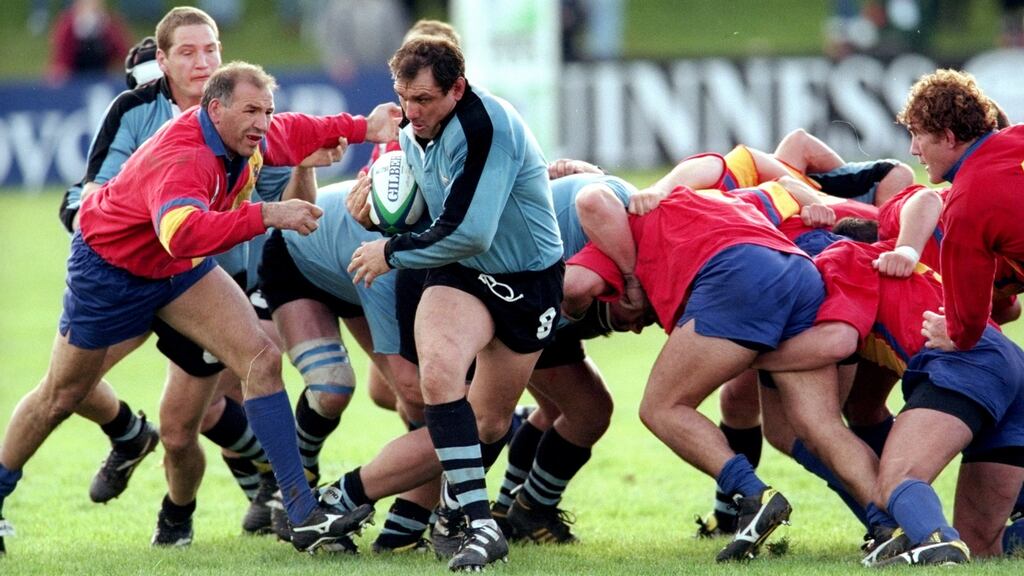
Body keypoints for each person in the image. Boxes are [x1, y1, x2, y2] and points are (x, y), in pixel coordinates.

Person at [0, 61, 401, 556]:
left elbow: (295, 130)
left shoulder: (245, 135)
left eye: (266, 110)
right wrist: (270, 213)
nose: (262, 121)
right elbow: (181, 232)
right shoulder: (184, 154)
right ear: (216, 109)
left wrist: (364, 127)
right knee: (61, 395)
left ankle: (300, 512)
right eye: (251, 110)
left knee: (259, 357)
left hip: (175, 270)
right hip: (110, 272)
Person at [54, 7, 333, 543]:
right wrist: (98, 226)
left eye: (208, 51)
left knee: (196, 416)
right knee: (69, 388)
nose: (199, 63)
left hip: (211, 283)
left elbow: (289, 210)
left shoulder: (249, 123)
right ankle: (139, 439)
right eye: (186, 54)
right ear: (160, 68)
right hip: (135, 276)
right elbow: (87, 195)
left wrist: (303, 165)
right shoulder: (137, 115)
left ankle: (254, 495)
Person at [566, 182, 883, 562]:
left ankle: (752, 494)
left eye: (618, 323)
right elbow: (776, 187)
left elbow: (578, 271)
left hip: (737, 275)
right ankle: (892, 525)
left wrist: (567, 310)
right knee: (813, 427)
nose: (635, 328)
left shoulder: (613, 248)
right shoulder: (702, 196)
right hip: (799, 270)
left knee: (662, 407)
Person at [340, 35, 565, 571]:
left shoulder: (488, 124)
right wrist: (379, 217)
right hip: (461, 272)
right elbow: (436, 218)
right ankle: (478, 524)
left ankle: (410, 510)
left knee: (488, 422)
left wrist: (390, 249)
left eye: (423, 100)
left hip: (527, 281)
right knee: (439, 377)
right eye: (403, 98)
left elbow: (471, 230)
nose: (411, 113)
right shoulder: (414, 128)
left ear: (457, 89)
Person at [755, 238, 1024, 564]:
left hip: (963, 361)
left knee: (897, 480)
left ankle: (937, 545)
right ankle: (937, 535)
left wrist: (744, 356)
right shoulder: (893, 265)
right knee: (981, 542)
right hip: (1010, 363)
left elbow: (838, 341)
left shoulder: (841, 255)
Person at [891, 70, 1023, 353]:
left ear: (949, 137)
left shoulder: (965, 204)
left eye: (917, 135)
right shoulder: (1019, 134)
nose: (913, 149)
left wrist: (952, 335)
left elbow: (966, 325)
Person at [47, 0, 132, 84]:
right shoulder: (68, 25)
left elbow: (124, 53)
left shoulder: (109, 24)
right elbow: (61, 58)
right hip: (74, 78)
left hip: (101, 77)